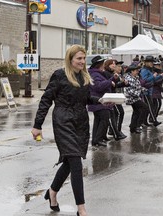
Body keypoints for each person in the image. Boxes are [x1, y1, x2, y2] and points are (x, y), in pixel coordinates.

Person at [31, 45, 100, 216]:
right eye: (79, 59)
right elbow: (46, 100)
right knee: (75, 162)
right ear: (70, 59)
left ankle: (52, 193)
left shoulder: (84, 76)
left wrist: (102, 100)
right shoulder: (60, 75)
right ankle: (81, 209)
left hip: (81, 122)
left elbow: (86, 98)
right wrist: (37, 125)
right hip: (63, 121)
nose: (82, 62)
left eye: (84, 58)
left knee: (70, 162)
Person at [88, 56, 116, 147]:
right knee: (103, 120)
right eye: (103, 63)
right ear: (99, 65)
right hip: (100, 102)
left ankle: (96, 140)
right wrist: (109, 82)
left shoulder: (97, 73)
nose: (104, 65)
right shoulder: (95, 74)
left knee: (98, 121)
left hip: (100, 102)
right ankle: (98, 139)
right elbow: (98, 86)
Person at [140, 55, 163, 127]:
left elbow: (152, 80)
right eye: (150, 62)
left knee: (147, 108)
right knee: (150, 107)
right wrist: (153, 76)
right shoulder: (144, 70)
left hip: (149, 91)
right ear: (146, 62)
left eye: (152, 62)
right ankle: (154, 121)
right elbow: (144, 81)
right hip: (145, 91)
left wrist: (159, 76)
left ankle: (144, 122)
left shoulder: (148, 70)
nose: (151, 63)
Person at [124, 63, 149, 133]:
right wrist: (138, 94)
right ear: (132, 71)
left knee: (137, 112)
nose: (137, 72)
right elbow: (129, 89)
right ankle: (138, 125)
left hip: (135, 98)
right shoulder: (129, 78)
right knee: (145, 108)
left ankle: (133, 127)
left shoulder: (135, 78)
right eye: (136, 71)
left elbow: (138, 87)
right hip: (132, 98)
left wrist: (144, 89)